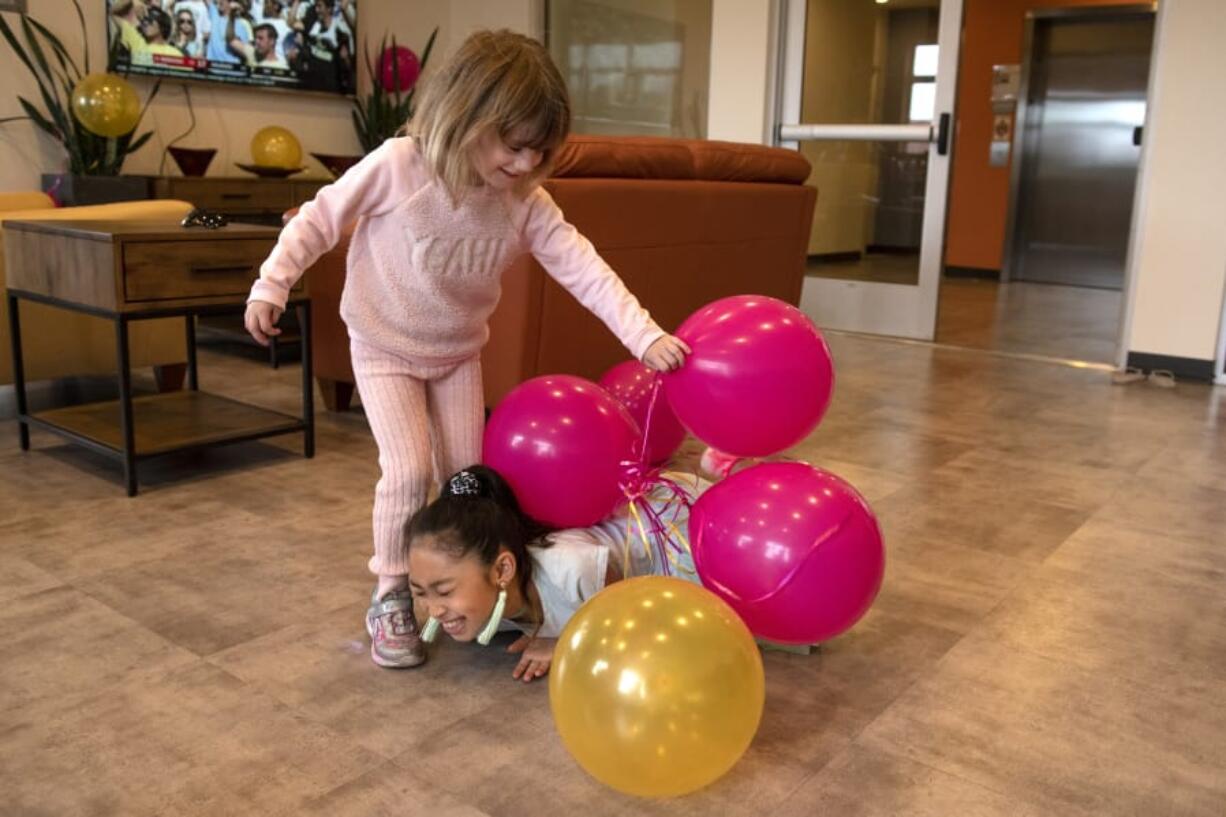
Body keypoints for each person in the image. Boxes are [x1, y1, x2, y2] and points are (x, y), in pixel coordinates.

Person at [243, 30, 691, 670]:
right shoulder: (400, 166)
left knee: (467, 478)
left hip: (456, 352)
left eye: (540, 151)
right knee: (407, 468)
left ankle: (487, 594)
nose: (524, 162)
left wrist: (644, 335)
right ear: (466, 115)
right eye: (513, 145)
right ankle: (392, 594)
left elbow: (584, 269)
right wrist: (271, 286)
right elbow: (318, 218)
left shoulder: (525, 202)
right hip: (383, 345)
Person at [406, 465, 709, 682]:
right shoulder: (483, 602)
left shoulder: (571, 569)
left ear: (502, 569)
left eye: (445, 591)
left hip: (674, 524)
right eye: (420, 592)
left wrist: (562, 639)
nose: (433, 610)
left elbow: (627, 621)